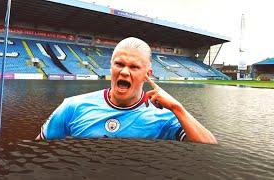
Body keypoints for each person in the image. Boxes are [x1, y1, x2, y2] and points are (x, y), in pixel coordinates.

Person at [36, 37, 217, 144]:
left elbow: (209, 148)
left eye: (134, 67)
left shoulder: (166, 116)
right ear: (111, 66)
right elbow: (37, 152)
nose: (124, 71)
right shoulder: (72, 107)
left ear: (148, 73)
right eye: (119, 64)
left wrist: (179, 109)